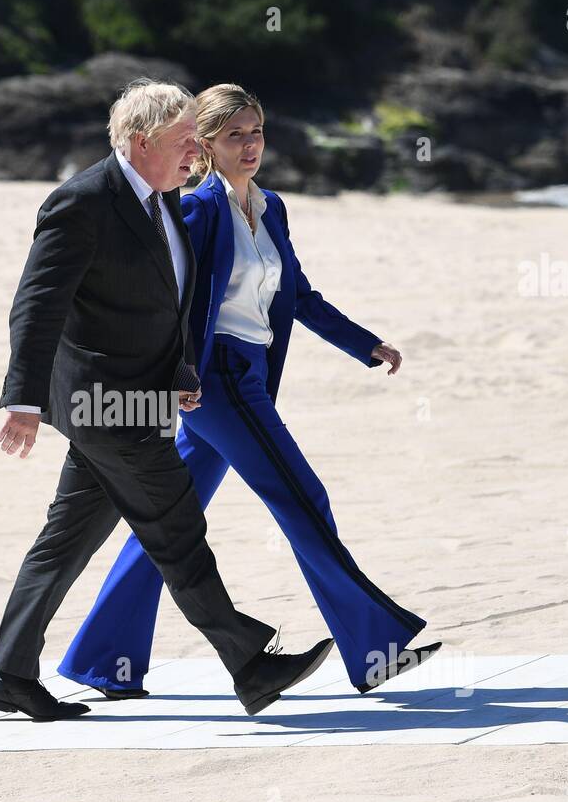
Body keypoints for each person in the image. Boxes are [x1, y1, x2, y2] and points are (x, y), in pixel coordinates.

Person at [58, 84, 440, 700]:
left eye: (257, 131)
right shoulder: (198, 208)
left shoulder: (272, 209)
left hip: (252, 373)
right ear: (203, 145)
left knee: (168, 522)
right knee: (303, 498)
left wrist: (364, 343)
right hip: (218, 381)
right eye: (235, 134)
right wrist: (169, 371)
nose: (251, 144)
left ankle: (103, 659)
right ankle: (376, 650)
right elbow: (173, 298)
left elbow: (300, 296)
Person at [0, 79, 334, 721]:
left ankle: (9, 673)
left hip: (143, 398)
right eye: (184, 143)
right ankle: (251, 664)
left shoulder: (165, 199)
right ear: (141, 141)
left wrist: (179, 369)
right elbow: (37, 306)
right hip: (103, 404)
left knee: (66, 541)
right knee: (177, 530)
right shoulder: (83, 202)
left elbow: (170, 300)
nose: (195, 157)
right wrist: (23, 401)